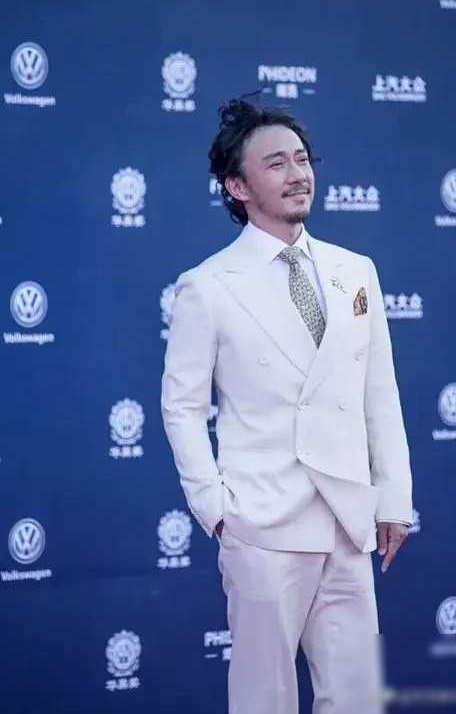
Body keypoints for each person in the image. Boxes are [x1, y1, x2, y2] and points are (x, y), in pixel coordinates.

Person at [161, 96, 413, 714]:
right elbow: (182, 407)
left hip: (348, 521)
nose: (298, 174)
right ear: (237, 186)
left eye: (302, 159)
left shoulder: (356, 271)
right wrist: (216, 509)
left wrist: (393, 500)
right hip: (263, 524)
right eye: (276, 164)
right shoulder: (208, 286)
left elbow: (379, 392)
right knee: (263, 700)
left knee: (357, 698)